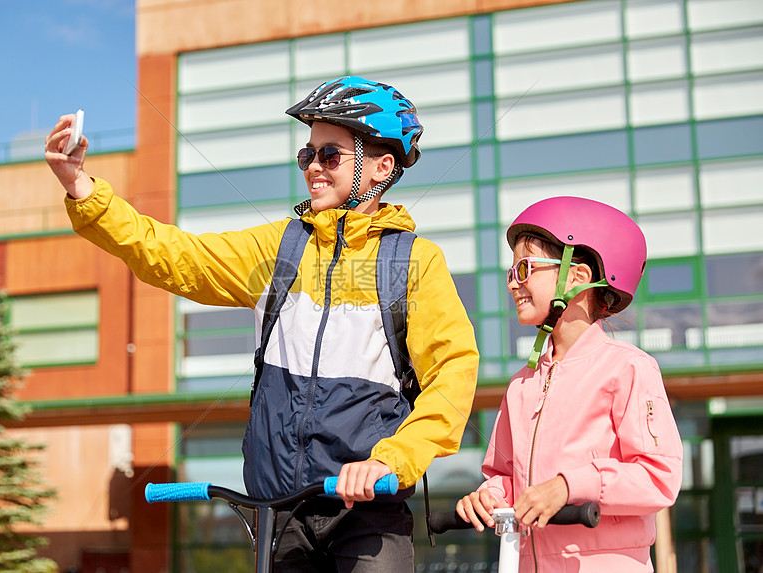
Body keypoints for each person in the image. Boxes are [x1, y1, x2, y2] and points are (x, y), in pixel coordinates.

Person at [45, 76, 480, 572]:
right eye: (307, 155)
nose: (313, 167)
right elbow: (174, 255)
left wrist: (393, 460)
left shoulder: (414, 262)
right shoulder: (279, 248)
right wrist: (81, 187)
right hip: (278, 513)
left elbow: (452, 371)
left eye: (330, 155)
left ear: (382, 167)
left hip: (368, 514)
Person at [455, 197, 683, 572]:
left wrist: (568, 485)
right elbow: (505, 477)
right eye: (510, 273)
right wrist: (488, 497)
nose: (513, 284)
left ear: (576, 277)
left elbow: (658, 478)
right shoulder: (521, 385)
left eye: (524, 270)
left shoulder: (629, 368)